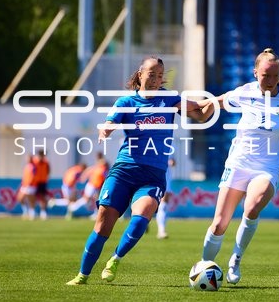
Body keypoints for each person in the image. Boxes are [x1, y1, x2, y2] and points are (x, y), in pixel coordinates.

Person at [66, 56, 206, 286]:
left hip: (153, 175)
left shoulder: (170, 99)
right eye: (151, 74)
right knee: (103, 222)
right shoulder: (126, 102)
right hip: (124, 170)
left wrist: (214, 105)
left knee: (142, 218)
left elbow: (199, 113)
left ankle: (115, 259)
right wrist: (105, 131)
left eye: (160, 75)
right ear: (140, 74)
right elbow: (111, 121)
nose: (155, 79)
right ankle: (83, 275)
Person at [199, 48, 279, 285]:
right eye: (266, 75)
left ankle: (236, 259)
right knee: (219, 223)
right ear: (255, 73)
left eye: (275, 76)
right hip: (239, 162)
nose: (271, 81)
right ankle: (203, 267)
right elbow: (219, 101)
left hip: (267, 168)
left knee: (252, 208)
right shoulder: (244, 92)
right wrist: (204, 106)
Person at [69, 152, 109, 219]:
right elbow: (89, 171)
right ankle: (72, 207)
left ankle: (96, 213)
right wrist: (84, 176)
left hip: (96, 186)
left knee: (97, 200)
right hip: (92, 185)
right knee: (86, 200)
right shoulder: (98, 166)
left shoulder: (101, 167)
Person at [155, 158, 175, 239]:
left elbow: (173, 161)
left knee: (163, 205)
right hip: (154, 174)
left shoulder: (173, 145)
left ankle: (161, 230)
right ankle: (144, 221)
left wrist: (172, 162)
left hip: (166, 176)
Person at [32, 150, 51, 220]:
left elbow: (48, 171)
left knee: (43, 197)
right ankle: (32, 212)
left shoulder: (46, 162)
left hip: (43, 182)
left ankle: (43, 212)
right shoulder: (34, 161)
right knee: (33, 197)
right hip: (35, 182)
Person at [17, 155, 37, 220]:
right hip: (25, 185)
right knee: (20, 198)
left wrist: (30, 182)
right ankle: (25, 211)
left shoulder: (33, 167)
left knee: (31, 200)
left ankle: (32, 213)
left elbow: (34, 176)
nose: (28, 159)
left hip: (31, 186)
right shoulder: (26, 166)